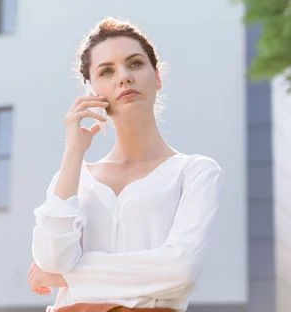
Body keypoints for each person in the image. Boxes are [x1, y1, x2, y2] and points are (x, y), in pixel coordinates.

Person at [28, 18, 224, 312]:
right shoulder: (72, 177)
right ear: (91, 91)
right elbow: (52, 260)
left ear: (157, 77)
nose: (124, 77)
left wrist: (66, 277)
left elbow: (180, 270)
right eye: (107, 71)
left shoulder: (195, 173)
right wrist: (73, 153)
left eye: (134, 64)